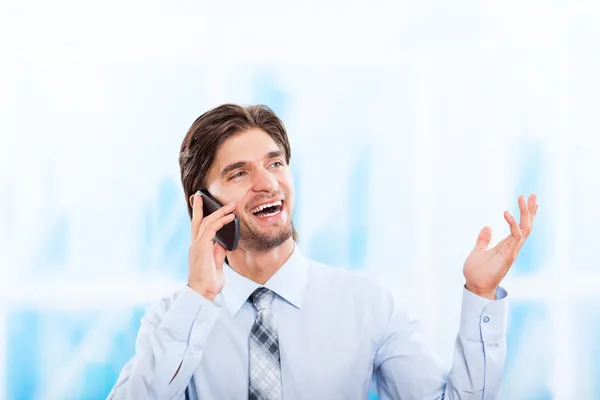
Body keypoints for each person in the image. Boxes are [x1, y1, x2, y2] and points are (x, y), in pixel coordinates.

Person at [107, 104, 538, 400]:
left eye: (275, 163)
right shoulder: (173, 319)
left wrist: (480, 293)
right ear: (202, 205)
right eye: (240, 172)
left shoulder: (366, 304)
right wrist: (198, 300)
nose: (268, 183)